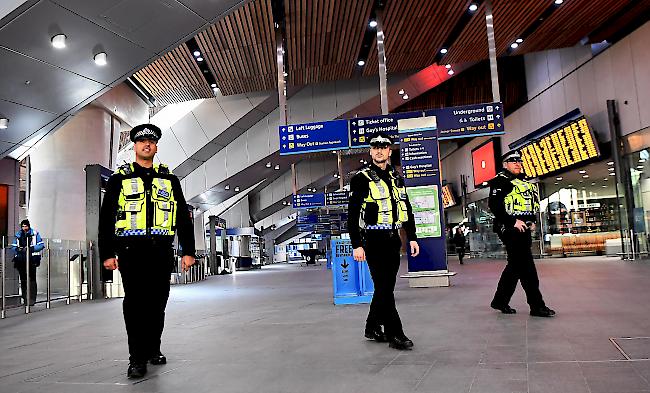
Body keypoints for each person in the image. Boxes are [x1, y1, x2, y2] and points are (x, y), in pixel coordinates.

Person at [99, 123, 196, 379]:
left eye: (151, 142)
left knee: (157, 304)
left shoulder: (169, 179)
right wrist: (107, 253)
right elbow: (106, 217)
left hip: (162, 252)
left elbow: (183, 219)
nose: (147, 145)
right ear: (135, 146)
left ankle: (154, 347)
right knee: (135, 305)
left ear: (155, 147)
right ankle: (136, 358)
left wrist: (188, 251)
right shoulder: (119, 179)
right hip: (131, 253)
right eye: (142, 142)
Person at [348, 132, 420, 350]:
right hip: (373, 239)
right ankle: (395, 334)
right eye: (375, 147)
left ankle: (371, 326)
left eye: (384, 146)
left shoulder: (397, 178)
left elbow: (406, 209)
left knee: (385, 287)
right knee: (384, 287)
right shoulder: (361, 178)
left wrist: (412, 237)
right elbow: (352, 215)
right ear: (371, 152)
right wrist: (356, 244)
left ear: (390, 151)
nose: (379, 150)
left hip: (393, 239)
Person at [488, 150, 555, 317]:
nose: (517, 163)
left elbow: (527, 204)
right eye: (513, 161)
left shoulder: (521, 181)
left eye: (519, 161)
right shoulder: (500, 181)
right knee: (526, 268)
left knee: (516, 266)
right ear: (505, 164)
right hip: (510, 228)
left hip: (522, 228)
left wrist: (531, 221)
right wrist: (512, 222)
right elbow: (495, 206)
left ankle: (500, 301)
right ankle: (537, 306)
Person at [11, 219, 44, 306]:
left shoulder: (35, 233)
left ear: (28, 226)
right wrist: (19, 249)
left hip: (32, 259)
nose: (24, 228)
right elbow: (13, 247)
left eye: (26, 226)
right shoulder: (18, 235)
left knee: (32, 279)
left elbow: (41, 245)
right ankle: (26, 299)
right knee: (23, 280)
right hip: (21, 260)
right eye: (23, 226)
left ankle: (32, 299)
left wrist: (31, 249)